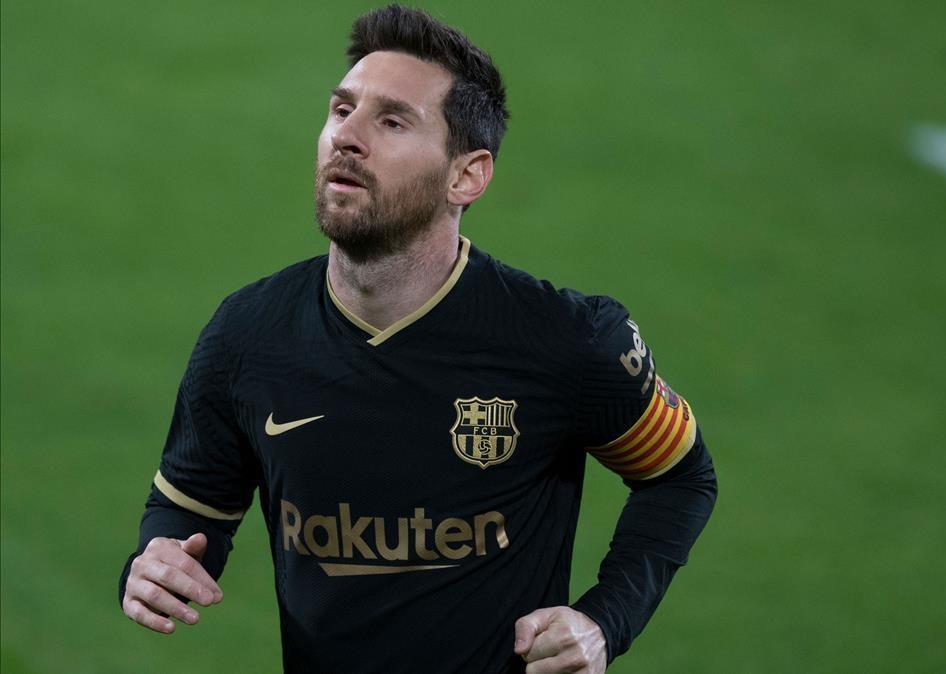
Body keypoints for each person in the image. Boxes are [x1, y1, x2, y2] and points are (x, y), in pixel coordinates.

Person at [118, 5, 716, 673]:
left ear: (467, 176)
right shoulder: (246, 336)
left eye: (392, 121)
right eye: (342, 110)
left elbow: (680, 478)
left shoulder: (568, 341)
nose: (347, 137)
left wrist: (605, 621)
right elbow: (186, 511)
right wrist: (156, 561)